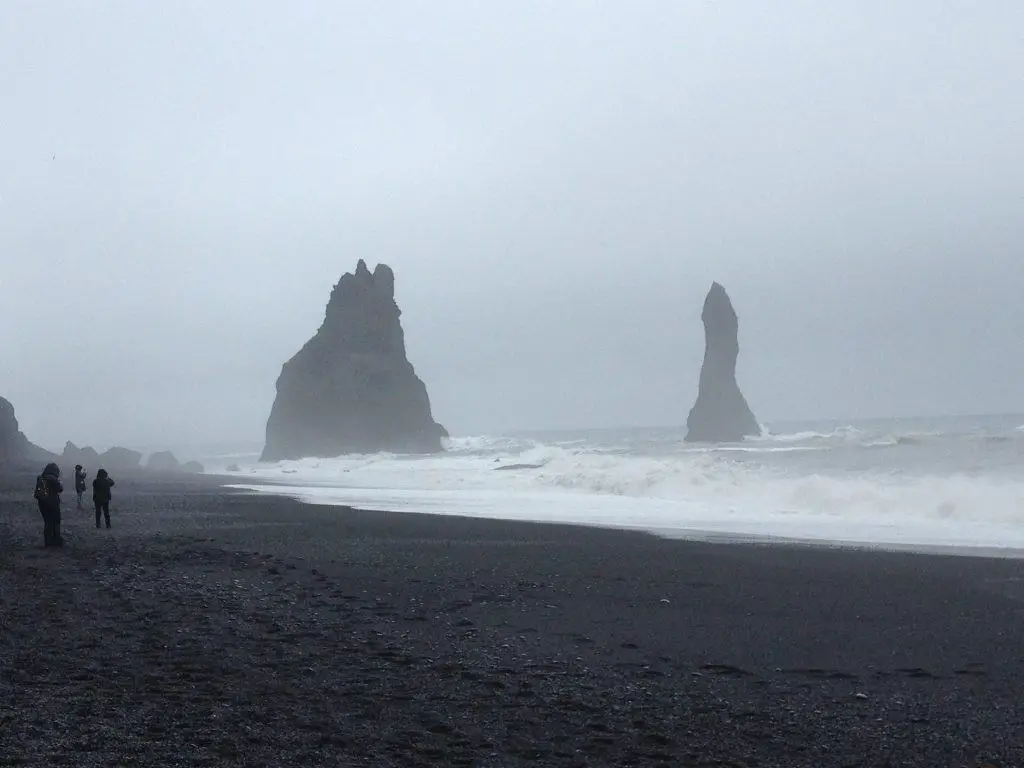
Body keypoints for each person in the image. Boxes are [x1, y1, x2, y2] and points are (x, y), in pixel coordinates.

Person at [34, 462, 64, 547]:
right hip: (53, 504)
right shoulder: (53, 478)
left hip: (42, 504)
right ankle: (56, 541)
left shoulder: (40, 478)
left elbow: (37, 493)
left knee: (47, 523)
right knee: (56, 522)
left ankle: (48, 542)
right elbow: (60, 489)